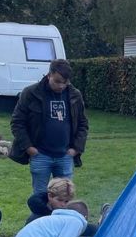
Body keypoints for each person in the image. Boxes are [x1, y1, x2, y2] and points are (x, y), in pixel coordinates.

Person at [9, 59, 89, 196]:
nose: (61, 86)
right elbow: (17, 122)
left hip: (65, 156)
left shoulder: (75, 94)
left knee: (65, 197)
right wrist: (29, 148)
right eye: (57, 81)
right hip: (40, 155)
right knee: (40, 198)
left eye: (65, 82)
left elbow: (83, 123)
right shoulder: (30, 93)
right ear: (49, 75)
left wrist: (76, 149)